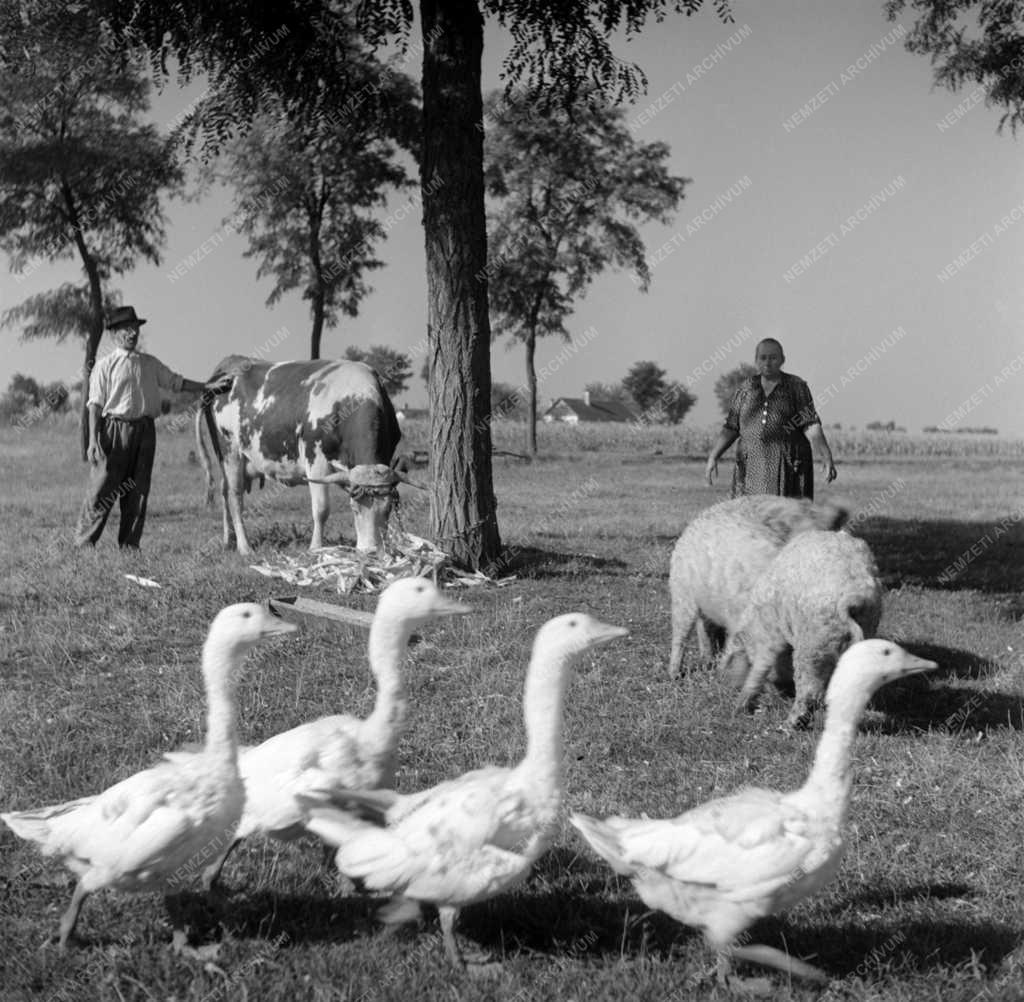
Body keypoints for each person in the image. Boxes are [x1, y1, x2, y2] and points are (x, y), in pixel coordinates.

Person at [74, 305, 229, 550]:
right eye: (126, 329)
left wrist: (207, 387)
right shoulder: (105, 365)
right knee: (101, 489)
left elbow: (177, 382)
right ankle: (83, 544)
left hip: (145, 432)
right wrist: (93, 441)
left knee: (138, 491)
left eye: (134, 328)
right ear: (114, 334)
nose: (132, 333)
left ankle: (130, 546)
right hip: (114, 431)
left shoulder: (149, 363)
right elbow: (94, 405)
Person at [705, 338, 836, 500]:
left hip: (788, 468)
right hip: (751, 467)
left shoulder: (796, 387)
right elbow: (731, 427)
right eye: (763, 357)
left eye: (773, 358)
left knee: (786, 518)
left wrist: (826, 455)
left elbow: (810, 426)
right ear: (756, 361)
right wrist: (714, 456)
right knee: (749, 517)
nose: (768, 362)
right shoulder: (746, 389)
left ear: (782, 360)